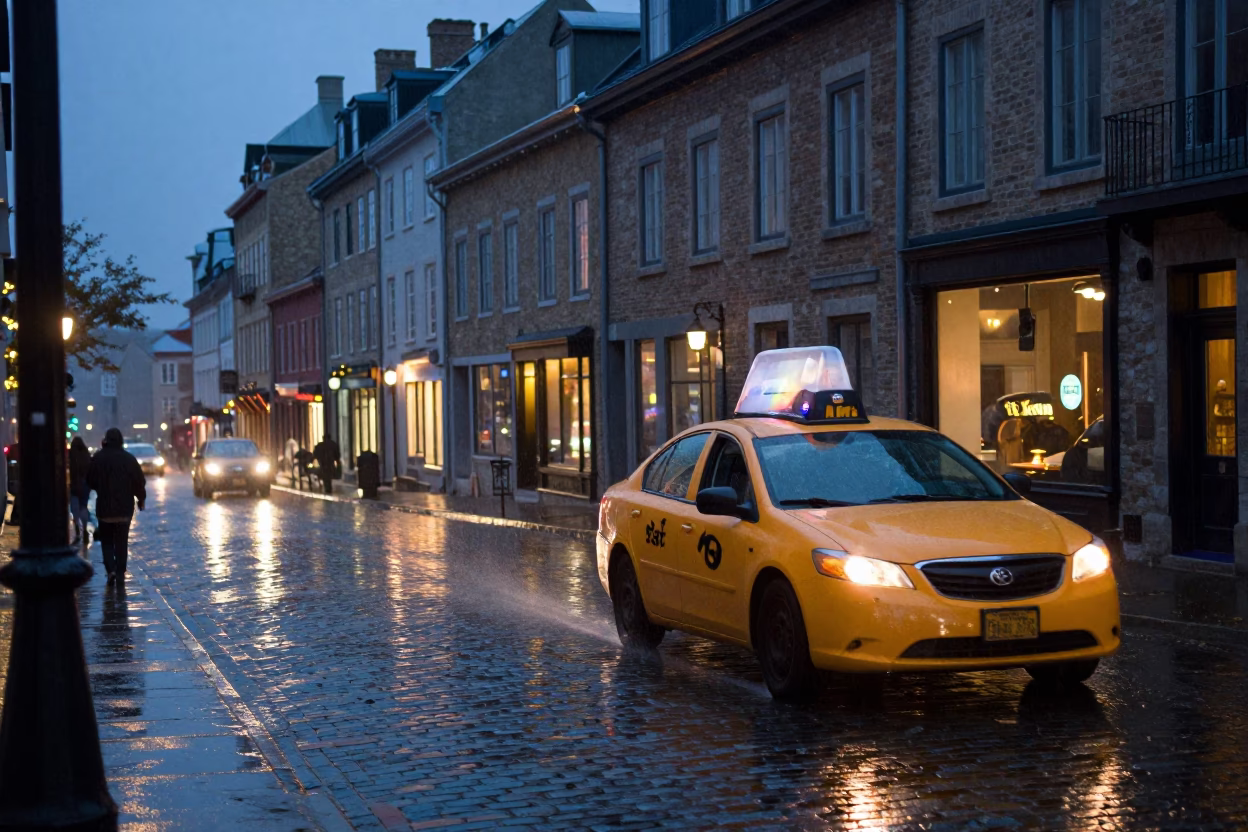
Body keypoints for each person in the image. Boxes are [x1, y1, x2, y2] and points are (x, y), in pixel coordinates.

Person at [86, 427, 146, 583]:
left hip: (104, 507)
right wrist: (141, 499)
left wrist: (101, 486)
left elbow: (90, 480)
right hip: (124, 508)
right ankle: (120, 571)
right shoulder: (129, 459)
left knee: (106, 541)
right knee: (121, 541)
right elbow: (139, 482)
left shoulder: (98, 458)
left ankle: (110, 568)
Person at [68, 436, 92, 545]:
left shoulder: (71, 455)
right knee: (83, 507)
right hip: (85, 485)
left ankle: (78, 531)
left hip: (74, 486)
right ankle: (85, 529)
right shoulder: (86, 455)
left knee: (74, 510)